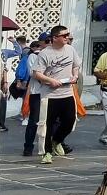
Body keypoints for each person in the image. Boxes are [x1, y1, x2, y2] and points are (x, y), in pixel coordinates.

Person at [30, 25, 81, 163]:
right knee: (47, 124)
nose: (67, 38)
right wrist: (50, 80)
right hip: (50, 95)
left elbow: (76, 66)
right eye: (64, 35)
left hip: (67, 92)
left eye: (68, 35)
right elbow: (37, 73)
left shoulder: (70, 50)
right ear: (55, 38)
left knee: (70, 121)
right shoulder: (45, 53)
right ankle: (46, 152)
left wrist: (75, 76)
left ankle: (57, 140)